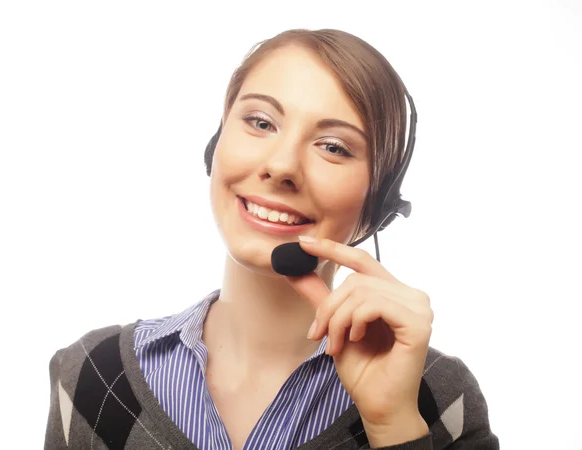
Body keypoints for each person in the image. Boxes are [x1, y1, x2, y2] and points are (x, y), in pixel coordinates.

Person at [44, 29, 499, 449]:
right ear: (216, 145)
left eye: (333, 147)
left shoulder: (438, 398)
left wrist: (394, 424)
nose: (281, 166)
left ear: (376, 207)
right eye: (261, 122)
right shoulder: (91, 376)